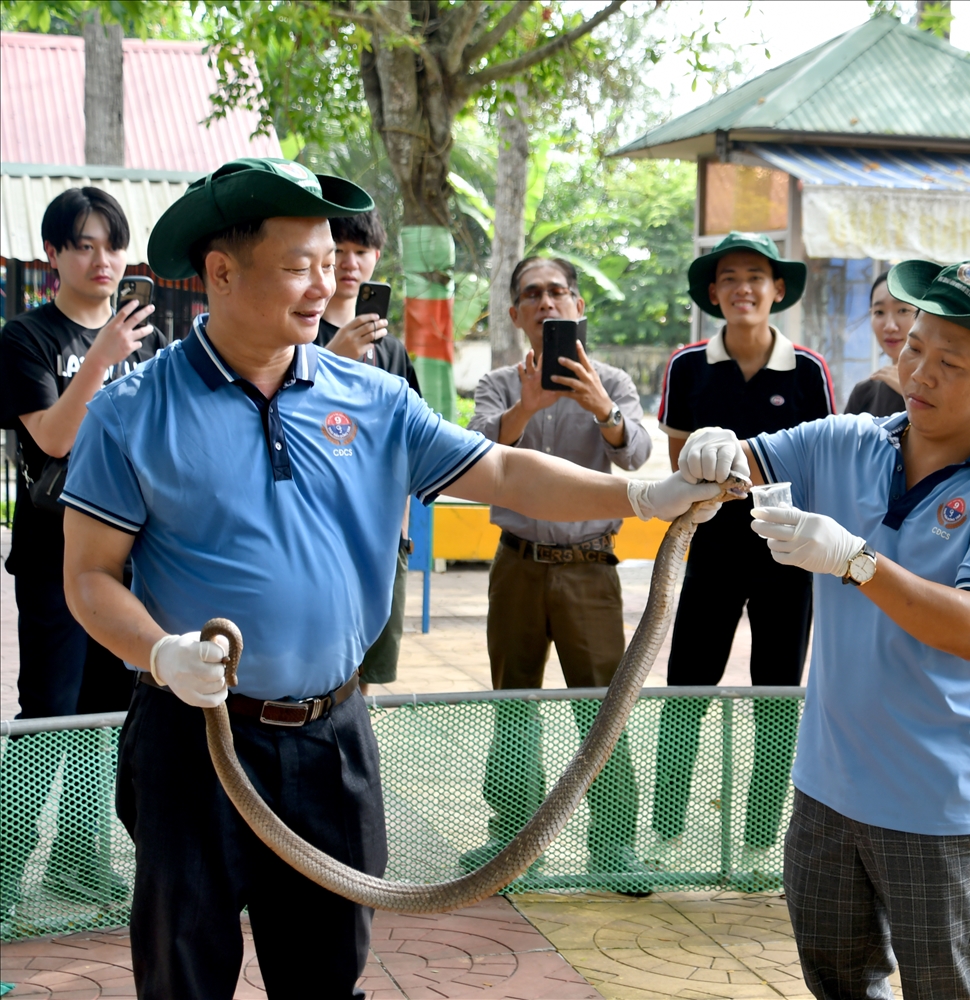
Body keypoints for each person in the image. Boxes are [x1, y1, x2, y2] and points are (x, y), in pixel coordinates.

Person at [56, 156, 723, 997]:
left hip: (332, 736)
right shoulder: (132, 410)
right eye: (299, 266)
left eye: (329, 264)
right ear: (221, 273)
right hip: (195, 741)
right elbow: (88, 579)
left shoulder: (371, 399)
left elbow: (507, 476)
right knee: (184, 971)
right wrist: (161, 655)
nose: (323, 285)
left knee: (329, 970)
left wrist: (644, 493)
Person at [677, 256, 970, 1000]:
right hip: (825, 789)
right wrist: (719, 447)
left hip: (938, 806)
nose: (918, 371)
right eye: (914, 346)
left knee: (945, 990)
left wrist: (857, 561)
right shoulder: (851, 441)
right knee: (839, 985)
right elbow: (746, 464)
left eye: (949, 361)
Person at [0, 187, 165, 919]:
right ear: (54, 256)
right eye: (85, 245)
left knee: (109, 717)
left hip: (131, 564)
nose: (103, 260)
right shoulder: (25, 338)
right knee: (50, 714)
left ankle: (79, 864)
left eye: (113, 245)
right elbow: (54, 438)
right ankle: (4, 881)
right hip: (53, 562)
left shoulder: (150, 343)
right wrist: (101, 356)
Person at [461, 255, 652, 884]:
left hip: (590, 568)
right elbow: (477, 453)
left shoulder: (613, 380)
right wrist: (526, 406)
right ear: (515, 315)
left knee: (604, 707)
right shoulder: (496, 384)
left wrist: (602, 408)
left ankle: (614, 845)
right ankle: (512, 842)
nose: (546, 303)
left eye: (558, 292)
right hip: (516, 566)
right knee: (514, 702)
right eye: (531, 295)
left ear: (578, 307)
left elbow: (638, 455)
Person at [652, 231, 834, 861]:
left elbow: (823, 463)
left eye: (756, 277)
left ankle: (763, 841)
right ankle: (665, 834)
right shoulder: (687, 366)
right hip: (712, 552)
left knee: (777, 695)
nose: (743, 289)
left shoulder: (808, 370)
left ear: (777, 290)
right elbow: (677, 457)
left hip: (788, 556)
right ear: (713, 294)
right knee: (687, 690)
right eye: (729, 279)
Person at [314, 207, 419, 695]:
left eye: (361, 252)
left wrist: (399, 536)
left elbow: (409, 442)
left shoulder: (393, 351)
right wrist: (330, 358)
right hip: (315, 529)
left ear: (377, 258)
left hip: (379, 537)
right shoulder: (300, 337)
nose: (349, 263)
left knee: (368, 675)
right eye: (339, 251)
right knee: (319, 668)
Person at [844, 269, 915, 417]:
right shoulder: (863, 394)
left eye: (902, 310)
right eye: (879, 312)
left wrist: (912, 394)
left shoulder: (945, 390)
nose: (889, 326)